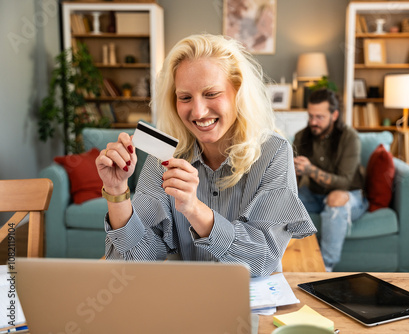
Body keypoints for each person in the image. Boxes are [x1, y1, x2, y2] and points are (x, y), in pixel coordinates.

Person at [96, 34, 316, 277]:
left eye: (211, 94)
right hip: (189, 299)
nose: (198, 112)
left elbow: (262, 260)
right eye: (185, 97)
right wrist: (117, 192)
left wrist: (194, 209)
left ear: (238, 92)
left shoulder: (273, 152)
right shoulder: (165, 156)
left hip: (252, 303)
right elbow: (131, 265)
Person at [293, 88, 368, 271]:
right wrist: (292, 171)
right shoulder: (302, 136)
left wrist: (310, 170)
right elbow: (293, 184)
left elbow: (344, 182)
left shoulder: (349, 138)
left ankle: (325, 268)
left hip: (348, 194)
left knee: (335, 199)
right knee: (283, 201)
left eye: (319, 117)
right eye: (310, 116)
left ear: (334, 115)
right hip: (314, 194)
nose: (313, 122)